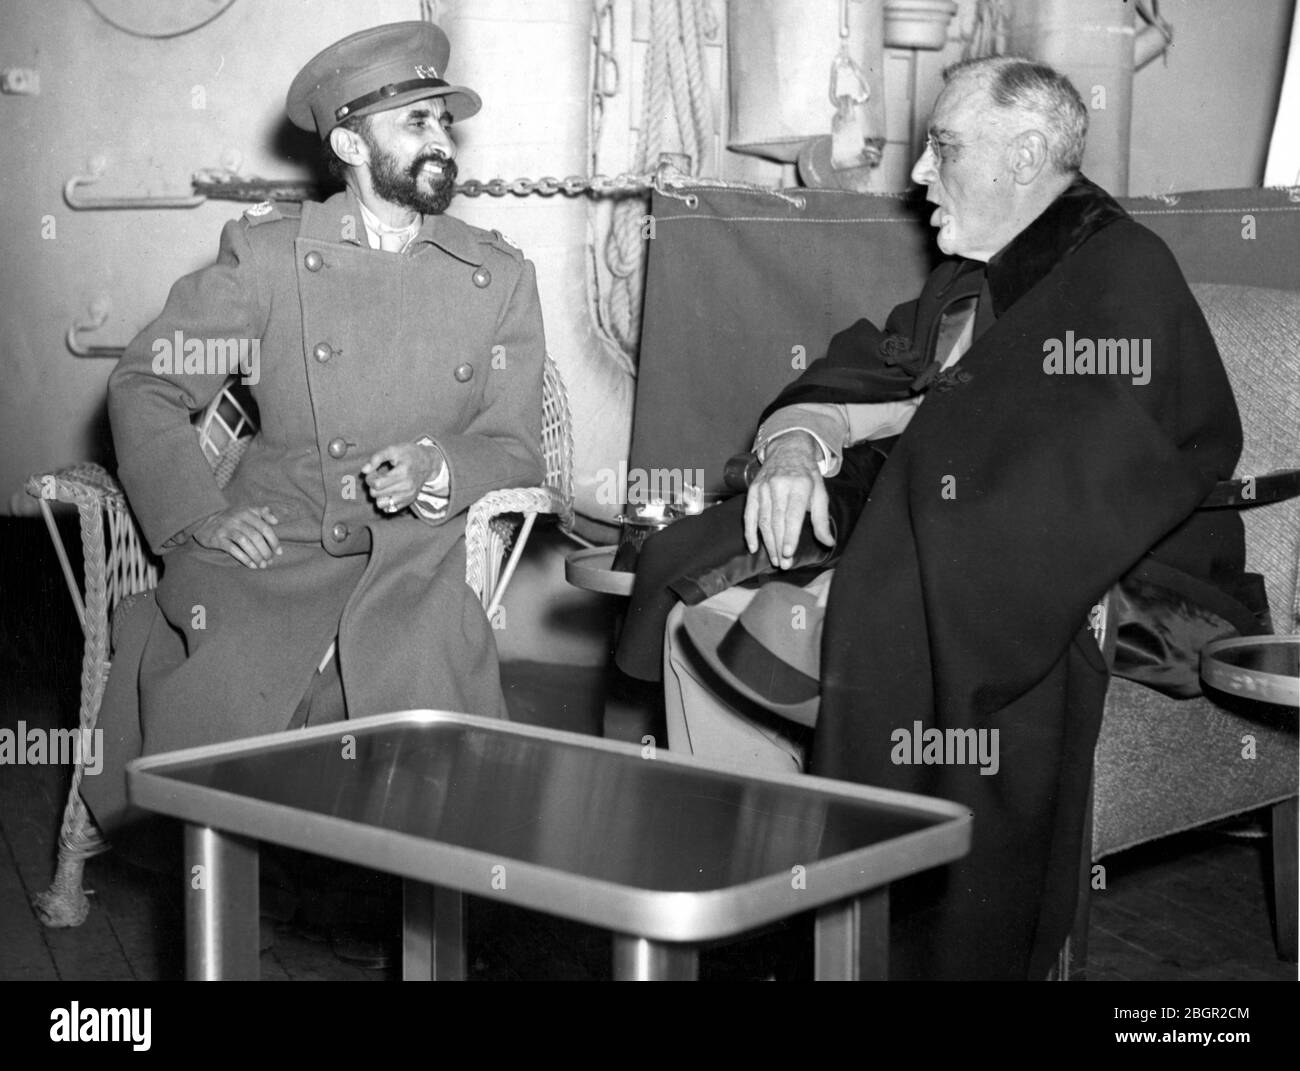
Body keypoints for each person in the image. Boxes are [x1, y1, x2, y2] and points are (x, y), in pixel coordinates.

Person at [616, 56, 1256, 979]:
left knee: (852, 617)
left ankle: (859, 927)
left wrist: (907, 483)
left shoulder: (1122, 272)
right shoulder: (966, 280)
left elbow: (1102, 467)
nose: (917, 173)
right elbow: (867, 383)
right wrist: (799, 443)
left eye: (943, 147)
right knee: (691, 588)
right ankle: (750, 913)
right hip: (932, 530)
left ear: (1027, 155)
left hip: (1089, 576)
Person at [84, 21, 545, 839]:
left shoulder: (497, 276)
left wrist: (440, 465)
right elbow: (148, 381)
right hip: (275, 543)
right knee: (219, 708)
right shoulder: (269, 260)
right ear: (350, 144)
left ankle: (416, 917)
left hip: (413, 555)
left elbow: (516, 447)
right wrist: (200, 512)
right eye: (418, 122)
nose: (444, 140)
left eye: (445, 120)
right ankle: (219, 899)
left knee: (431, 734)